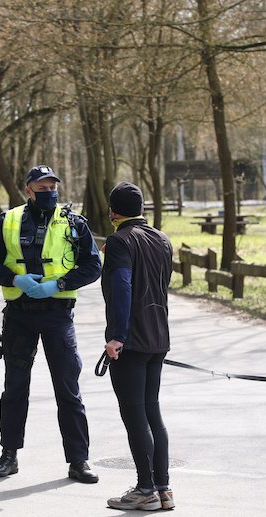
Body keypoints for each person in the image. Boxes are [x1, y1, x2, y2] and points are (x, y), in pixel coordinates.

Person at [0, 165, 102, 483]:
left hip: (57, 314)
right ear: (28, 190)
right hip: (19, 313)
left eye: (53, 186)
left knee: (68, 389)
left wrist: (58, 285)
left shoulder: (73, 221)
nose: (49, 191)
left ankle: (79, 461)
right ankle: (9, 455)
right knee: (14, 388)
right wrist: (15, 278)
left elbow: (92, 265)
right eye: (42, 186)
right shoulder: (8, 222)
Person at [101, 182, 174, 511]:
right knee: (152, 411)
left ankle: (145, 489)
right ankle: (163, 488)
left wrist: (117, 335)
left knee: (134, 415)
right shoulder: (162, 239)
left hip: (131, 340)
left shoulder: (119, 241)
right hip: (159, 336)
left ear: (114, 212)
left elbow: (122, 287)